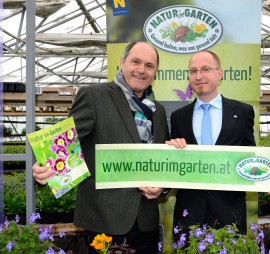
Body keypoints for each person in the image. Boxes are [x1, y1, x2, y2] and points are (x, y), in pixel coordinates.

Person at [32, 41, 169, 254]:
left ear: (155, 72)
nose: (142, 70)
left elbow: (162, 160)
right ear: (122, 62)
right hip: (104, 220)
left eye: (149, 66)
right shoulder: (95, 96)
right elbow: (65, 141)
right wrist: (43, 169)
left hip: (146, 223)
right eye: (136, 62)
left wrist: (163, 188)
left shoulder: (157, 110)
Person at [166, 50, 270, 236]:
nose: (198, 76)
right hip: (188, 213)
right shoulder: (178, 117)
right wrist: (172, 148)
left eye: (205, 69)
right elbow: (173, 164)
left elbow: (250, 156)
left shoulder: (243, 111)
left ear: (219, 73)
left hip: (229, 212)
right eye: (193, 71)